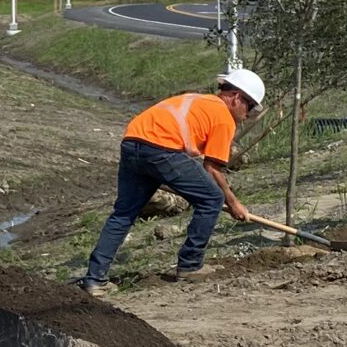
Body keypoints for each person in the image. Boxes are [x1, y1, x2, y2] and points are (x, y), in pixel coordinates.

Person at [80, 68, 263, 294]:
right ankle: (190, 265)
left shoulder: (197, 100)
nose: (247, 115)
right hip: (161, 149)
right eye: (250, 107)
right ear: (236, 97)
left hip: (132, 143)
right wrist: (234, 203)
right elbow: (212, 169)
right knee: (212, 199)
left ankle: (95, 280)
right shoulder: (223, 118)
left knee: (123, 214)